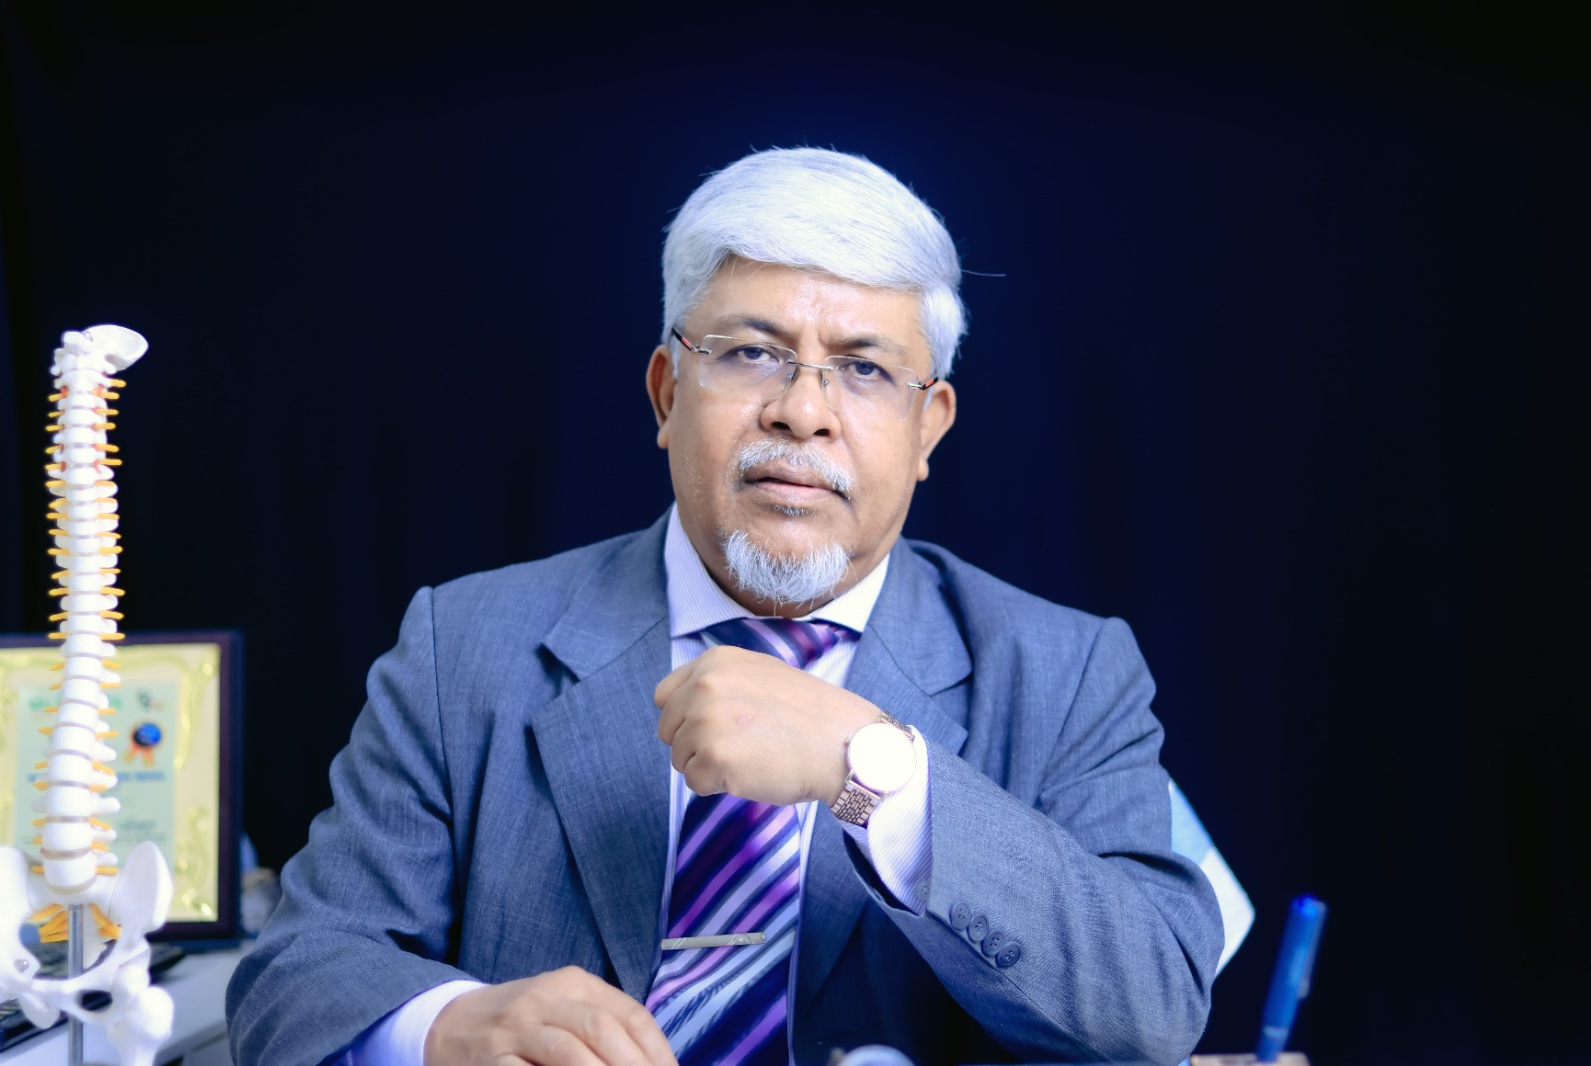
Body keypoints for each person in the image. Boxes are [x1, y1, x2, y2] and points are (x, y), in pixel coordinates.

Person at [226, 147, 1223, 1066]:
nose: (802, 411)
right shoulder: (465, 646)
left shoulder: (1066, 671)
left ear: (928, 428)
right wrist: (447, 1024)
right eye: (751, 353)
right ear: (667, 393)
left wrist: (872, 773)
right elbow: (291, 985)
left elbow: (1152, 1009)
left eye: (864, 369)